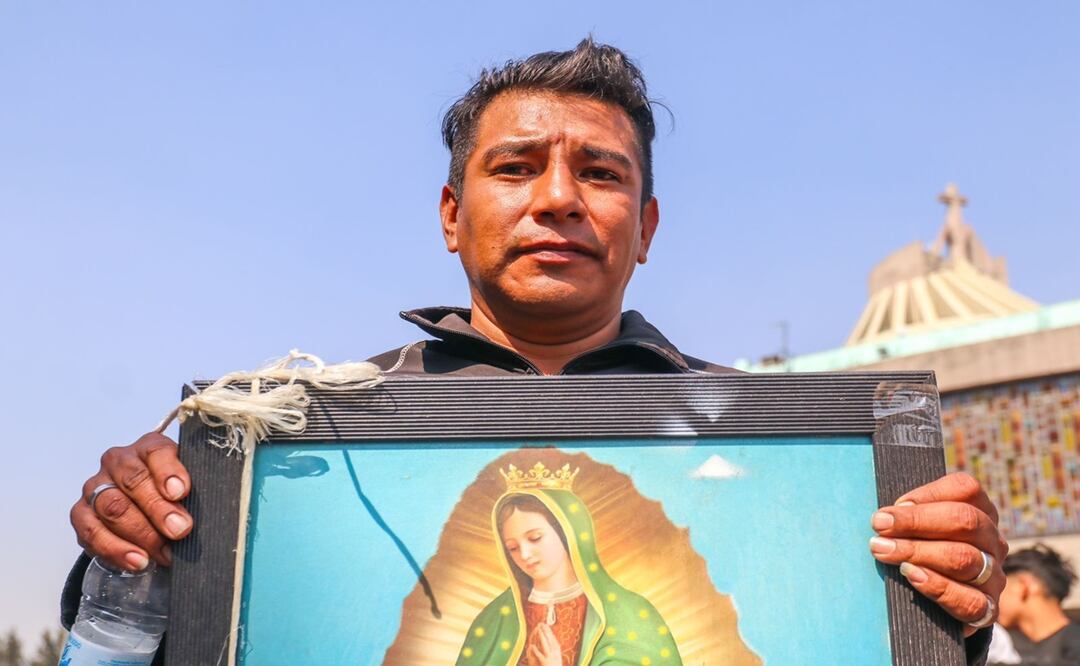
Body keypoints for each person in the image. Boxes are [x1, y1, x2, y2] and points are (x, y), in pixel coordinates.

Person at [64, 37, 1006, 665]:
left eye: (599, 174)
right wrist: (142, 551)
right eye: (515, 168)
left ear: (645, 227)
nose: (557, 199)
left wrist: (948, 602)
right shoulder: (308, 436)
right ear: (450, 216)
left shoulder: (785, 462)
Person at [460, 464, 681, 666]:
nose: (525, 554)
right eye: (512, 548)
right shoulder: (495, 619)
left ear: (568, 534)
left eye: (535, 538)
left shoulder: (630, 614)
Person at [996, 545, 1080, 665]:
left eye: (999, 589)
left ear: (1025, 586)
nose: (994, 599)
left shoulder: (1075, 647)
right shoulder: (1012, 650)